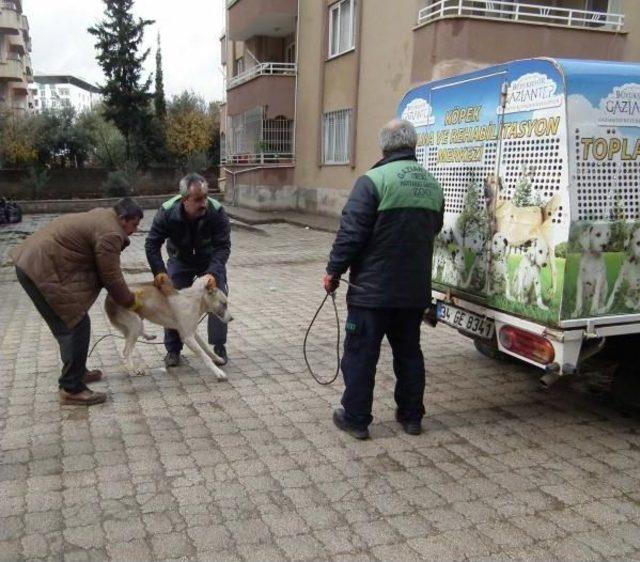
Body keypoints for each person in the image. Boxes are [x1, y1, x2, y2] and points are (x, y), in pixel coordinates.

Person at [324, 119, 444, 440]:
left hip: (371, 295)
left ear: (384, 145)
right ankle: (411, 417)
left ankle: (357, 418)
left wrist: (333, 271)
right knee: (409, 355)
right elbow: (434, 229)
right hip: (413, 293)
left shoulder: (372, 181)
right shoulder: (432, 185)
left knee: (361, 356)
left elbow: (351, 234)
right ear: (412, 144)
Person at [12, 198, 144, 406]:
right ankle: (71, 388)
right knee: (76, 325)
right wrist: (132, 302)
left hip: (32, 263)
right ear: (121, 218)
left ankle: (77, 372)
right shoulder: (111, 232)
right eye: (133, 224)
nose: (134, 230)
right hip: (40, 269)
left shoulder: (103, 216)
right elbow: (111, 276)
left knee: (68, 325)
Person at [145, 173, 231, 368]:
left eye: (206, 197)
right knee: (172, 298)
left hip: (209, 260)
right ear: (185, 200)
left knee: (218, 297)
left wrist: (213, 272)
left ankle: (218, 347)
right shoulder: (167, 212)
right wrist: (160, 272)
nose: (204, 203)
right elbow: (152, 244)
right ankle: (173, 350)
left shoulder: (216, 212)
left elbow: (223, 246)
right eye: (198, 199)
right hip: (180, 259)